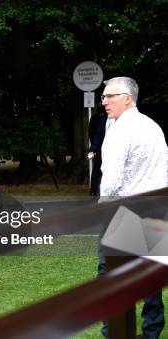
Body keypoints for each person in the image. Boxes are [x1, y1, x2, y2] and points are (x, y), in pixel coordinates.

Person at [98, 76, 168, 339]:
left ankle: (114, 332)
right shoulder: (152, 126)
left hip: (123, 211)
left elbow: (112, 180)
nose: (104, 101)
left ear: (127, 97)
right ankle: (151, 332)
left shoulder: (120, 129)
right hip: (154, 208)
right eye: (104, 96)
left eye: (109, 96)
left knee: (112, 275)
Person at [88, 111, 107, 196]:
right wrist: (92, 149)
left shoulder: (120, 119)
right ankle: (93, 191)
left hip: (114, 150)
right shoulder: (102, 119)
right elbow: (97, 135)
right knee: (97, 169)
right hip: (100, 149)